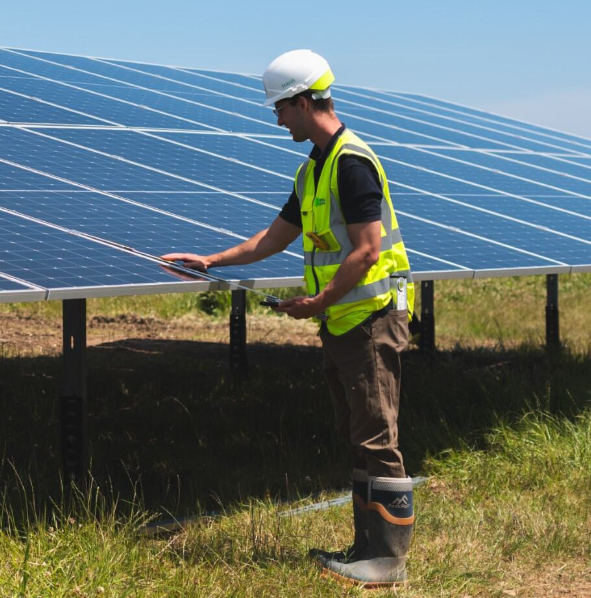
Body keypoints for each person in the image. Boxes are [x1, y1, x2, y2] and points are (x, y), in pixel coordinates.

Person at [161, 49, 415, 588]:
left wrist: (315, 305)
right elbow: (272, 239)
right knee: (357, 435)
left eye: (280, 108)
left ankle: (387, 561)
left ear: (303, 102)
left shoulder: (351, 162)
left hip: (370, 320)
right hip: (345, 323)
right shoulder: (312, 171)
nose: (277, 120)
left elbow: (368, 250)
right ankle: (365, 548)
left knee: (377, 438)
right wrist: (210, 260)